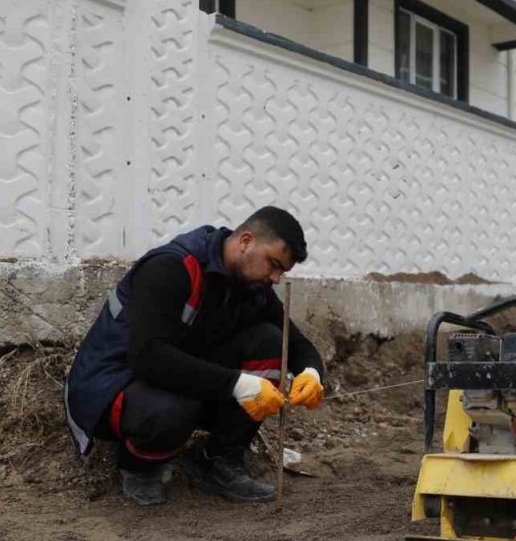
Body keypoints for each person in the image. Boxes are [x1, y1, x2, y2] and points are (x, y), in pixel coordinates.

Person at [64, 207, 326, 507]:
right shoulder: (172, 266)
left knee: (268, 342)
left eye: (283, 271)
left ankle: (218, 461)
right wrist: (238, 385)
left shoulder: (251, 284)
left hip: (175, 378)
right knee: (173, 410)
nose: (276, 278)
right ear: (246, 241)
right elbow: (148, 358)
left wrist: (310, 373)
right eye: (274, 264)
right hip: (111, 384)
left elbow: (294, 342)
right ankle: (139, 466)